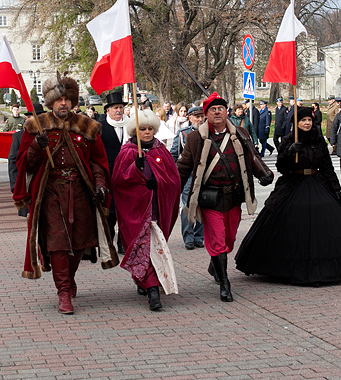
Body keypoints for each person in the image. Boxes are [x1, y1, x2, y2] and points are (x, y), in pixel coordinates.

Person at [13, 74, 119, 315]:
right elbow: (25, 166)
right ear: (51, 102)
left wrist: (101, 183)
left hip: (81, 191)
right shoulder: (36, 126)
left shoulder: (87, 126)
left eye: (67, 99)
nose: (63, 103)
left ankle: (69, 278)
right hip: (50, 193)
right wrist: (35, 147)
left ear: (72, 101)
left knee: (80, 242)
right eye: (58, 99)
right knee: (58, 243)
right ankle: (63, 292)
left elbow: (98, 162)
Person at [236, 106, 341, 284]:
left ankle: (327, 267)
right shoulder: (288, 140)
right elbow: (281, 168)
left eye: (309, 120)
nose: (307, 123)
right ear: (296, 123)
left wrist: (336, 188)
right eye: (303, 120)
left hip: (317, 183)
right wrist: (289, 152)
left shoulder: (318, 140)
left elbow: (326, 166)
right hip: (293, 184)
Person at [177, 92, 274, 302]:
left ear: (226, 111)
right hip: (210, 198)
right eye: (213, 109)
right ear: (206, 114)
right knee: (218, 240)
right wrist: (171, 186)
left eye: (220, 108)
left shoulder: (240, 133)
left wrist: (264, 173)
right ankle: (225, 284)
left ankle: (216, 264)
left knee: (228, 240)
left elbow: (252, 158)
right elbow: (183, 167)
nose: (217, 112)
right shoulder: (195, 138)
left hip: (235, 196)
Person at [113, 110, 182, 311]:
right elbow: (119, 181)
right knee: (144, 248)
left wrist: (159, 183)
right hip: (137, 212)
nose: (147, 132)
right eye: (143, 129)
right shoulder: (127, 152)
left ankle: (148, 281)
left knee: (154, 248)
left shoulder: (161, 151)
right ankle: (152, 289)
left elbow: (174, 180)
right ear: (136, 130)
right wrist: (135, 168)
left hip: (157, 210)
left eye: (150, 128)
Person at [171, 105, 205, 249]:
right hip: (188, 176)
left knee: (203, 206)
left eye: (202, 117)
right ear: (189, 118)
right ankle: (188, 237)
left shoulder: (209, 133)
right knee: (188, 206)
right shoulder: (182, 134)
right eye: (196, 117)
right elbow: (174, 154)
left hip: (204, 175)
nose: (200, 120)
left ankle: (199, 236)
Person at [98, 90, 128, 253]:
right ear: (107, 110)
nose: (118, 110)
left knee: (124, 212)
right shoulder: (101, 127)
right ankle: (107, 245)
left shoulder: (131, 125)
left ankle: (123, 244)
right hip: (108, 175)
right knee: (109, 214)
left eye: (120, 107)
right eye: (115, 108)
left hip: (126, 176)